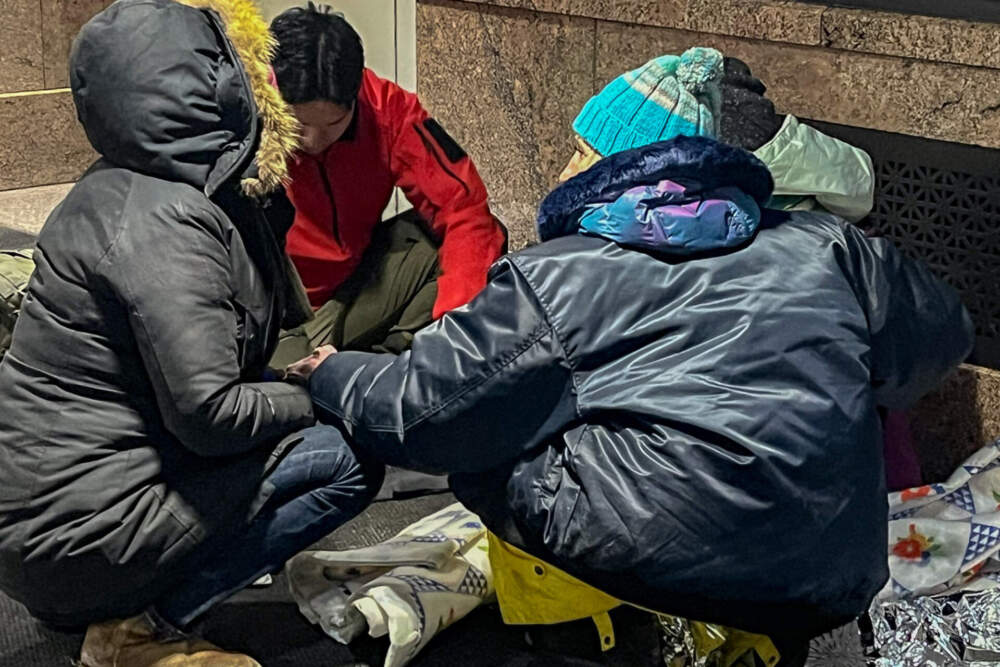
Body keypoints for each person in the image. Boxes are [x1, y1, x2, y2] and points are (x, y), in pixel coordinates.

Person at [291, 48, 974, 662]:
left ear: (621, 168)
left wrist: (335, 376)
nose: (565, 166)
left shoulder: (564, 272)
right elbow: (942, 338)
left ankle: (586, 634)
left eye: (583, 152)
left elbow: (426, 409)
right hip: (829, 569)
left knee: (493, 433)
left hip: (668, 559)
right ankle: (748, 639)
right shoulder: (828, 245)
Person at [0, 1, 383, 665]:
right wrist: (319, 390)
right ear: (217, 89)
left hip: (47, 530)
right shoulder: (168, 217)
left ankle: (111, 597)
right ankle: (140, 630)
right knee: (346, 455)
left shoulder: (125, 185)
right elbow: (209, 412)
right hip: (71, 538)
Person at [268, 3, 508, 365]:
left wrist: (455, 335)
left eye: (332, 125)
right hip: (273, 313)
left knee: (464, 238)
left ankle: (386, 363)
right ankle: (338, 370)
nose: (313, 141)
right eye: (298, 125)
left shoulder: (386, 110)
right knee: (282, 394)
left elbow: (465, 210)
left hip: (350, 291)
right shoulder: (243, 117)